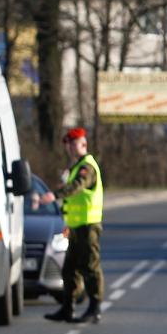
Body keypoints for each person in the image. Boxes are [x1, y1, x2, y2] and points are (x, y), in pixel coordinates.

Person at [41, 127, 104, 323]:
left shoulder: (87, 167)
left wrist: (56, 194)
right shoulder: (77, 166)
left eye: (74, 143)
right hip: (76, 227)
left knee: (90, 266)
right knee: (69, 269)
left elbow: (77, 186)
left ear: (83, 144)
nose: (70, 147)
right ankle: (68, 307)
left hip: (88, 226)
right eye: (68, 144)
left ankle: (95, 307)